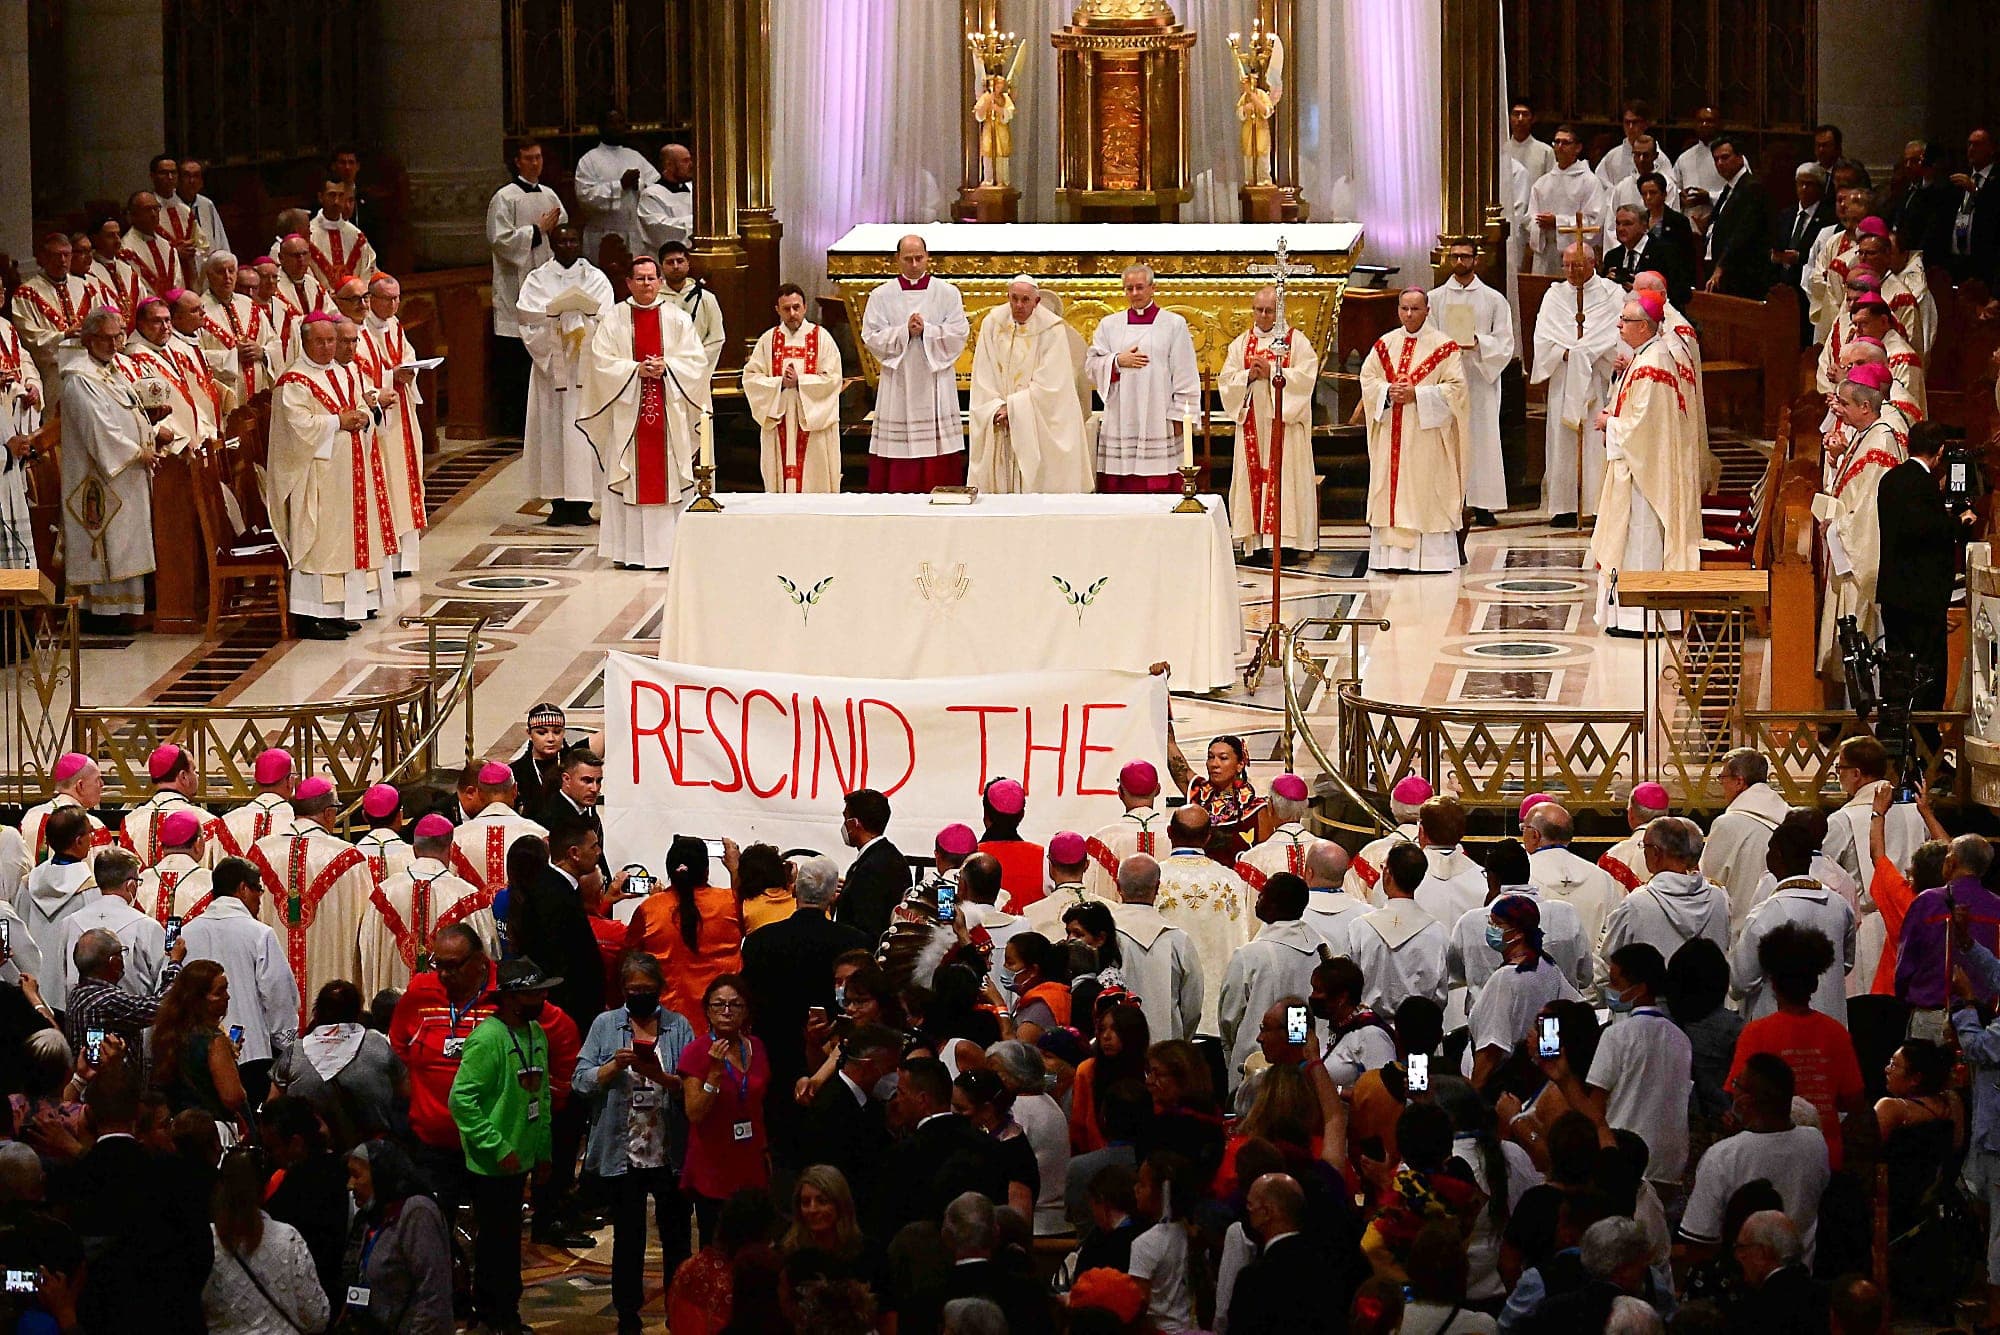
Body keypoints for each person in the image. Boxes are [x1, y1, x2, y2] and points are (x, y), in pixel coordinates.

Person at [576, 951, 698, 1332]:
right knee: (628, 1240)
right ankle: (627, 1314)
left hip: (668, 1148)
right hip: (622, 1150)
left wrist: (659, 1075)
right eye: (632, 990)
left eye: (646, 990)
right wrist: (614, 1065)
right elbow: (580, 1081)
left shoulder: (679, 1027)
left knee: (676, 1238)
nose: (639, 996)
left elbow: (689, 1089)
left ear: (660, 989)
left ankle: (681, 1310)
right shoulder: (605, 1024)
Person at [577, 251, 710, 568]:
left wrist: (668, 366)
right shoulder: (615, 318)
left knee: (668, 477)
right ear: (628, 283)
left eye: (652, 278)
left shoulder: (677, 318)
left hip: (668, 415)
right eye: (640, 278)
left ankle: (669, 551)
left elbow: (696, 361)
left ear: (660, 282)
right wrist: (636, 370)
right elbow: (601, 362)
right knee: (631, 477)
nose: (647, 283)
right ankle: (630, 552)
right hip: (629, 417)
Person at [265, 312, 393, 638]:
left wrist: (363, 416)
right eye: (319, 341)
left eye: (331, 340)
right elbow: (298, 429)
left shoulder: (342, 372)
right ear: (304, 341)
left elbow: (359, 408)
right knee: (319, 543)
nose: (326, 347)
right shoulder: (292, 381)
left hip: (347, 473)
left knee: (343, 542)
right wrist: (339, 421)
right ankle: (311, 615)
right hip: (314, 477)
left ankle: (336, 609)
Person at [449, 956, 558, 1333]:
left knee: (511, 1244)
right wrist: (497, 1146)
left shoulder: (535, 1034)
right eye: (535, 993)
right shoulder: (488, 1038)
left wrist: (543, 1151)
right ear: (512, 998)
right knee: (496, 1246)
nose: (542, 998)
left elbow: (541, 1096)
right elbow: (461, 1100)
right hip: (493, 1163)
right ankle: (493, 1315)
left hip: (523, 1157)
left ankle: (506, 1313)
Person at [1591, 292, 1702, 635]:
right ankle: (1628, 614)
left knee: (1641, 538)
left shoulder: (1652, 364)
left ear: (1645, 326)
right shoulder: (1645, 357)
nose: (1619, 324)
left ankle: (1641, 618)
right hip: (1637, 466)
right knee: (1631, 539)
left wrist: (1611, 423)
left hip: (1644, 473)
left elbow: (1645, 426)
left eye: (1625, 320)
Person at [59, 307, 172, 632]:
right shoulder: (80, 379)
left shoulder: (112, 370)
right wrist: (139, 452)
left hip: (127, 472)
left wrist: (151, 434)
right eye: (106, 338)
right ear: (89, 339)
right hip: (102, 476)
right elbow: (100, 430)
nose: (113, 344)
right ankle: (104, 613)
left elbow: (131, 415)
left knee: (125, 540)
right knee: (107, 541)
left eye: (118, 336)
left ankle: (126, 609)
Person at [1679, 1052, 1831, 1269]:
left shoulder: (1722, 1156)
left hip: (1741, 1286)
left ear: (1745, 1100)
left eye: (1736, 1085)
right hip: (1801, 1278)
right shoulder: (1815, 1143)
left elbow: (1699, 1240)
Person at [1358, 287, 1467, 574]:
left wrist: (1418, 394)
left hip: (1425, 437)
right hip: (1391, 432)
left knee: (1425, 492)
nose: (1409, 314)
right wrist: (1387, 391)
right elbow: (1368, 379)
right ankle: (1390, 558)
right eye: (1404, 308)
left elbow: (1457, 390)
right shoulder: (1385, 344)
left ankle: (1430, 559)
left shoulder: (1445, 347)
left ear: (1427, 310)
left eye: (1415, 309)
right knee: (1389, 492)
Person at [177, 857, 298, 1112]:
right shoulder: (259, 933)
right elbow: (278, 995)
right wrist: (286, 1049)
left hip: (194, 1055)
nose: (260, 899)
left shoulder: (186, 933)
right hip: (250, 1057)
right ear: (243, 888)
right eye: (259, 890)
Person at [517, 222, 614, 524]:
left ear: (581, 242)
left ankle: (584, 503)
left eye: (574, 241)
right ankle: (558, 502)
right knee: (552, 434)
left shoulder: (595, 278)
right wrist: (559, 324)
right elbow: (527, 316)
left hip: (585, 370)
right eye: (563, 241)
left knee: (582, 434)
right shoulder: (537, 279)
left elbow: (607, 317)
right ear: (552, 244)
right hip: (552, 372)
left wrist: (578, 324)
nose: (569, 246)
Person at [860, 235, 969, 491]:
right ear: (897, 259)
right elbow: (871, 336)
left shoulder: (947, 293)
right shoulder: (881, 295)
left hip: (934, 379)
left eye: (919, 258)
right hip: (899, 379)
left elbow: (959, 332)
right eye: (908, 259)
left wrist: (928, 331)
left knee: (937, 450)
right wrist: (904, 332)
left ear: (927, 257)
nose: (914, 264)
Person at [1528, 243, 1625, 527]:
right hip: (1565, 375)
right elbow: (1543, 335)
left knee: (1595, 442)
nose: (1571, 271)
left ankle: (1595, 505)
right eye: (1567, 265)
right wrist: (1569, 352)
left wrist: (1588, 352)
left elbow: (1615, 335)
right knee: (1563, 440)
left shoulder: (1611, 294)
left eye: (1578, 265)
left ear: (1593, 263)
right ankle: (1565, 505)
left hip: (1596, 378)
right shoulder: (1555, 295)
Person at [1220, 283, 1321, 552]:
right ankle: (1254, 541)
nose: (1263, 316)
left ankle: (1285, 542)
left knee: (1284, 477)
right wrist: (1248, 376)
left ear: (1279, 312)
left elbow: (1307, 377)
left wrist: (1277, 374)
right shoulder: (1240, 344)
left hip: (1284, 425)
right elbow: (1226, 381)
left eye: (1269, 311)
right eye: (1259, 310)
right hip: (1252, 424)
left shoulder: (1296, 341)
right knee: (1253, 478)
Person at [1878, 419, 1971, 712]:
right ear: (1940, 451)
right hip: (1922, 598)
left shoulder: (1890, 479)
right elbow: (1927, 532)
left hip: (1894, 594)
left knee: (1897, 668)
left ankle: (1893, 735)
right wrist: (1959, 522)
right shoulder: (1924, 485)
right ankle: (1925, 747)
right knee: (1926, 673)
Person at [1084, 263, 1200, 494]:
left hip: (1159, 414)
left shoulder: (1173, 324)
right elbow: (1091, 365)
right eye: (1129, 288)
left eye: (1139, 287)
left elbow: (1185, 371)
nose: (1134, 293)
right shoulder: (1109, 325)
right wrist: (1117, 362)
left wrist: (1181, 415)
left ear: (1152, 288)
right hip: (1121, 415)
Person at [969, 275, 1090, 494]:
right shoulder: (993, 324)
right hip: (998, 420)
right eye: (1014, 299)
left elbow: (1053, 384)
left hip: (1036, 423)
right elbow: (983, 373)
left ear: (1036, 302)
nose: (1019, 306)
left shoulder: (1052, 330)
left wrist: (1015, 408)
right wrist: (995, 406)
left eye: (1025, 300)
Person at [1732, 812, 1857, 1021]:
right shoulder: (1839, 905)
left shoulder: (1766, 914)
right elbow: (1845, 964)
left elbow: (1740, 981)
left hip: (1779, 1026)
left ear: (1777, 856)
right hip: (1830, 1022)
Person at [360, 813, 497, 998]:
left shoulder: (382, 895)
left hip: (393, 1014)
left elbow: (366, 954)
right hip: (452, 1016)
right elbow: (488, 957)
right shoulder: (469, 898)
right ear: (450, 850)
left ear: (414, 850)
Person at [201, 1145, 331, 1334]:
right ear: (265, 1187)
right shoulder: (288, 1239)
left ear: (220, 1186)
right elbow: (317, 1316)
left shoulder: (205, 1240)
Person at [678, 974, 769, 1238]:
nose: (727, 1012)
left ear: (746, 1010)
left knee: (754, 1243)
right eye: (719, 1005)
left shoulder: (758, 1047)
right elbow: (694, 1112)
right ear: (707, 1011)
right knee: (717, 1247)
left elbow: (758, 1102)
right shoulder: (696, 1052)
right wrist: (714, 1076)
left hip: (750, 1159)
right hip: (713, 1164)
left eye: (735, 1005)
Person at [1218, 873, 1324, 1090]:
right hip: (1309, 1062)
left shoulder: (1251, 955)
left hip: (1257, 1064)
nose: (1257, 899)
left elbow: (1229, 1016)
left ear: (1274, 905)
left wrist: (1233, 1051)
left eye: (1263, 894)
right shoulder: (1322, 949)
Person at [1595, 818, 1728, 989]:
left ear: (1656, 853)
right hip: (1707, 1004)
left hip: (1652, 1007)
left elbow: (1609, 956)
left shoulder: (1637, 903)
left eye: (1645, 847)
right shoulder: (1718, 897)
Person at [1464, 895, 1581, 1087]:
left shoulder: (1505, 979)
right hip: (1537, 1076)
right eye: (1490, 922)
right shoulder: (1547, 965)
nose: (1491, 929)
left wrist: (1474, 1095)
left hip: (1505, 1082)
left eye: (1497, 924)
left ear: (1517, 933)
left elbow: (1492, 1048)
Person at [626, 834, 745, 1022]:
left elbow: (628, 961)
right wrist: (735, 870)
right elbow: (749, 916)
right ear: (706, 870)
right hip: (723, 1021)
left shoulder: (649, 909)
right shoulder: (730, 902)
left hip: (666, 1024)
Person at [1153, 806, 1253, 1030]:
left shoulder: (1156, 878)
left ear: (1170, 832)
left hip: (1168, 1008)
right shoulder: (1230, 880)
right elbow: (1240, 938)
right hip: (1217, 1012)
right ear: (1208, 836)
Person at [340, 1138, 453, 1334]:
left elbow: (433, 1295)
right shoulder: (371, 1215)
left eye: (356, 1176)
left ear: (380, 1174)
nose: (350, 1185)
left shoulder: (417, 1212)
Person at [271, 979, 405, 1144]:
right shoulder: (377, 1043)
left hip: (309, 1160)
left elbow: (272, 1110)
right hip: (370, 1158)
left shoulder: (294, 1052)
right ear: (358, 1012)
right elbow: (406, 1093)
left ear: (316, 1012)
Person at [744, 282, 845, 494]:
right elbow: (751, 378)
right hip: (780, 417)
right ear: (777, 310)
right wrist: (779, 382)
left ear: (805, 307)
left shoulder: (822, 338)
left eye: (796, 307)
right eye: (786, 308)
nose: (792, 313)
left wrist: (801, 382)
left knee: (814, 480)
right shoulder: (768, 340)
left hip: (812, 420)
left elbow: (834, 378)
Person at [507, 820, 608, 1028]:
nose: (599, 852)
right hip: (565, 1011)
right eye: (594, 846)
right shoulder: (551, 893)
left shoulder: (559, 886)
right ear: (574, 853)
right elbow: (558, 960)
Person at [1108, 854, 1204, 1044]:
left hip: (1114, 1050)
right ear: (1158, 887)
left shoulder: (1104, 935)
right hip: (1166, 1052)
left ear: (1118, 886)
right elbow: (1192, 1005)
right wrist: (1180, 1041)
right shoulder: (1178, 940)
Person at [1347, 843, 1450, 1013]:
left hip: (1369, 1029)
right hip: (1419, 1029)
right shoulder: (1437, 932)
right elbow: (1440, 994)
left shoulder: (1360, 928)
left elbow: (1350, 985)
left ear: (1387, 874)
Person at [64, 922, 184, 1063]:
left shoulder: (77, 993)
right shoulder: (107, 1000)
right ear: (114, 961)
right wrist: (175, 962)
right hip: (108, 1082)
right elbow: (162, 1007)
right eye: (121, 953)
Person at [1699, 749, 1792, 930]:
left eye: (1722, 778)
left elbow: (1709, 884)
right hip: (1782, 929)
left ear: (1739, 782)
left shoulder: (1727, 825)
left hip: (1739, 930)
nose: (1721, 784)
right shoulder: (1788, 817)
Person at [573, 108, 657, 259]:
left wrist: (639, 184)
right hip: (602, 233)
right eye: (612, 123)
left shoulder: (635, 156)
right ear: (601, 126)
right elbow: (585, 196)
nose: (617, 127)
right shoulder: (589, 160)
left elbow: (655, 188)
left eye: (621, 123)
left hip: (634, 232)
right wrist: (620, 186)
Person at [1729, 1210, 1828, 1334]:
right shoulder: (1824, 1297)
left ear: (1762, 1253)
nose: (1738, 1256)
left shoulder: (1758, 1311)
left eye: (1741, 1248)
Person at [1526, 126, 1607, 275]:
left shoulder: (1589, 182)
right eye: (1556, 142)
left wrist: (1557, 222)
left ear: (1578, 148)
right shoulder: (1542, 183)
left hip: (1576, 255)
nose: (1559, 147)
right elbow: (1530, 219)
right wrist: (1540, 225)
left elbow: (1594, 223)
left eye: (1565, 143)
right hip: (1545, 255)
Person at [1084, 760, 1166, 902]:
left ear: (1120, 792)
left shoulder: (1102, 840)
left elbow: (1089, 892)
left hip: (1115, 923)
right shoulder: (1175, 834)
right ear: (1158, 789)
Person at [834, 788, 910, 942]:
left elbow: (865, 927)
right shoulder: (892, 856)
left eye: (846, 818)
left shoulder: (871, 868)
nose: (844, 826)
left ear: (855, 824)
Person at [1703, 136, 1771, 296]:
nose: (1720, 163)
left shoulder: (1751, 187)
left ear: (1740, 157)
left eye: (1725, 157)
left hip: (1742, 273)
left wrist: (1721, 267)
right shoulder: (1729, 188)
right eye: (1716, 159)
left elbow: (1743, 233)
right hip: (1722, 268)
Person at [635, 142, 696, 254]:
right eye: (685, 161)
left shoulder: (693, 188)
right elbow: (660, 228)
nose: (691, 165)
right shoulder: (651, 195)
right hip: (666, 259)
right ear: (669, 165)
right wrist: (697, 222)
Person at [1504, 100, 1556, 181]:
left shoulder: (1545, 151)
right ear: (1509, 118)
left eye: (1525, 114)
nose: (1520, 119)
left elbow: (1551, 183)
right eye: (1516, 114)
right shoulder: (1501, 150)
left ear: (1533, 119)